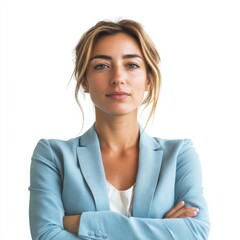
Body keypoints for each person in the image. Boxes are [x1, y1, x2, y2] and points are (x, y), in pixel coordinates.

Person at [29, 19, 210, 239]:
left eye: (131, 65)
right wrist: (161, 229)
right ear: (84, 80)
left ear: (149, 79)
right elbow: (47, 236)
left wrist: (85, 223)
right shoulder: (53, 156)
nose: (117, 78)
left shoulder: (179, 155)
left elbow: (196, 232)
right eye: (101, 66)